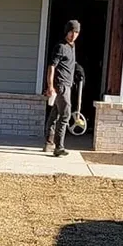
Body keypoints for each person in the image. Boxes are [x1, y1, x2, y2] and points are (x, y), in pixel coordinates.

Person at [44, 20, 84, 156]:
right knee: (65, 115)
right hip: (61, 86)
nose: (74, 35)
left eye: (76, 32)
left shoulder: (72, 47)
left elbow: (69, 63)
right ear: (67, 31)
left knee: (55, 114)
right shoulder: (61, 46)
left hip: (68, 84)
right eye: (71, 31)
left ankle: (49, 143)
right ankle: (58, 147)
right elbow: (52, 66)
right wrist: (50, 86)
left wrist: (77, 69)